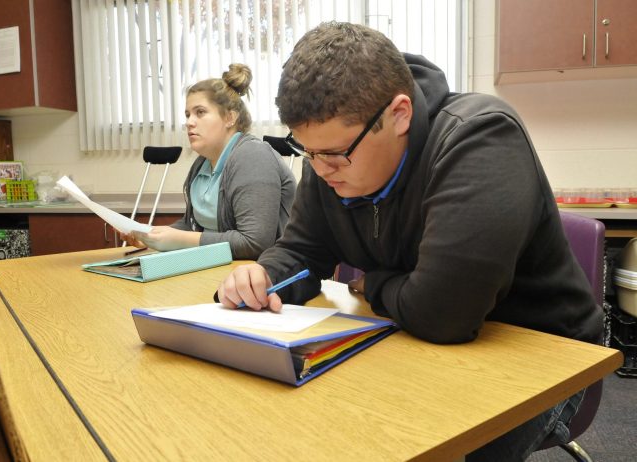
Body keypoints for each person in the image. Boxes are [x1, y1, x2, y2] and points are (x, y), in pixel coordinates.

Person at [216, 22, 603, 461]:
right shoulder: (333, 159)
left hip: (544, 358)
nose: (321, 171)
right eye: (309, 152)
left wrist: (376, 284)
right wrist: (264, 274)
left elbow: (443, 314)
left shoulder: (481, 138)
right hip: (416, 339)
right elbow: (303, 252)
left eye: (334, 153)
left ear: (399, 114)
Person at [125, 64, 296, 260]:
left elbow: (254, 243)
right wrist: (151, 236)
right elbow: (192, 227)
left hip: (266, 274)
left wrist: (180, 239)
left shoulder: (253, 156)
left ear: (230, 117)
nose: (189, 122)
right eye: (187, 114)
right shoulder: (202, 164)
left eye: (200, 112)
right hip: (220, 267)